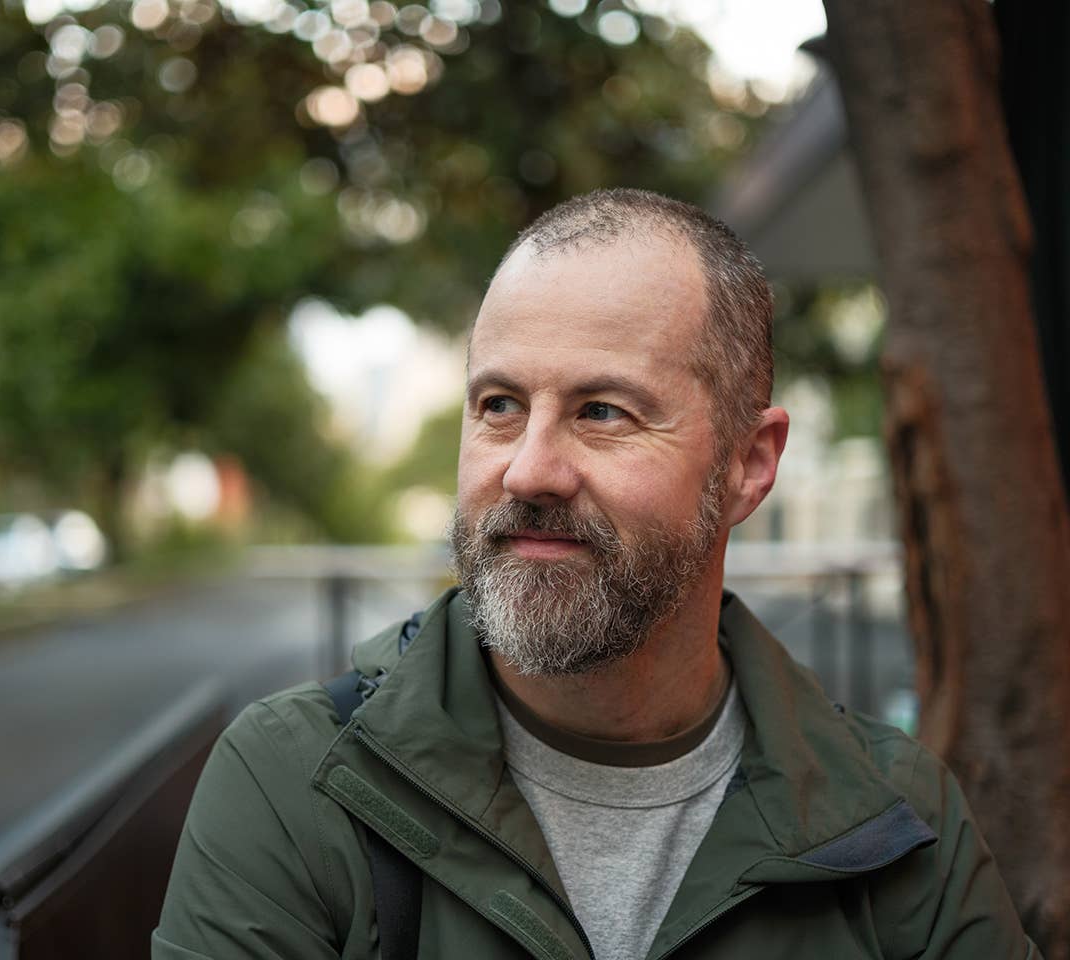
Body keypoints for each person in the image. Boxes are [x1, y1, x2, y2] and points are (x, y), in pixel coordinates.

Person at [152, 189, 1039, 959]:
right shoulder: (296, 782)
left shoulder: (895, 817)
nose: (530, 470)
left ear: (748, 463)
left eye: (602, 411)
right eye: (500, 406)